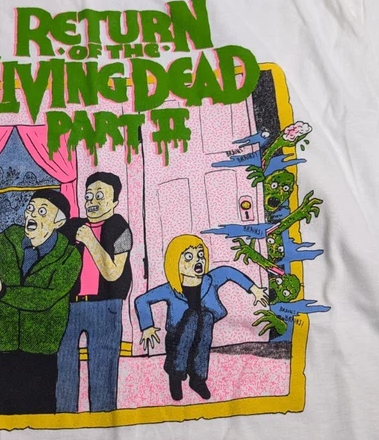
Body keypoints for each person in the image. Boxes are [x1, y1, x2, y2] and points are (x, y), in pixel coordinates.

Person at [0, 189, 81, 416]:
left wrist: (0, 291)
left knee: (36, 419)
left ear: (58, 222)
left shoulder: (69, 256)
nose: (32, 214)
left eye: (42, 211)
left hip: (39, 352)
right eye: (31, 209)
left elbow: (46, 298)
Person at [135, 235, 267, 401]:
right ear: (175, 262)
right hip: (178, 337)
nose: (197, 260)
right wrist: (147, 326)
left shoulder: (210, 280)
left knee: (205, 317)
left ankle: (197, 379)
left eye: (200, 255)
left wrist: (253, 289)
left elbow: (229, 272)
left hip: (201, 334)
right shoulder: (170, 289)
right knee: (192, 316)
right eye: (188, 257)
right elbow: (141, 300)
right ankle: (175, 376)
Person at [56, 172, 133, 413]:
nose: (92, 201)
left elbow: (114, 273)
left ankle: (102, 418)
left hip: (105, 306)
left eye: (100, 196)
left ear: (114, 202)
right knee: (63, 366)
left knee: (103, 364)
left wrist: (90, 240)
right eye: (89, 196)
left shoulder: (120, 228)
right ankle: (63, 419)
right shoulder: (73, 227)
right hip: (69, 306)